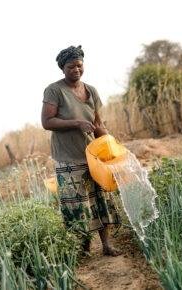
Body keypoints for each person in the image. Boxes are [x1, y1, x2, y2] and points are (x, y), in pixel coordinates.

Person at [41, 45, 121, 256]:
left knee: (100, 198)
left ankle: (106, 245)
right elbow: (47, 122)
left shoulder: (91, 90)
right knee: (77, 203)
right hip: (68, 156)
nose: (76, 69)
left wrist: (110, 144)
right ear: (62, 68)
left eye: (79, 65)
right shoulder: (54, 90)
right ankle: (83, 248)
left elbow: (97, 123)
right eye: (70, 66)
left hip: (92, 155)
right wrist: (76, 123)